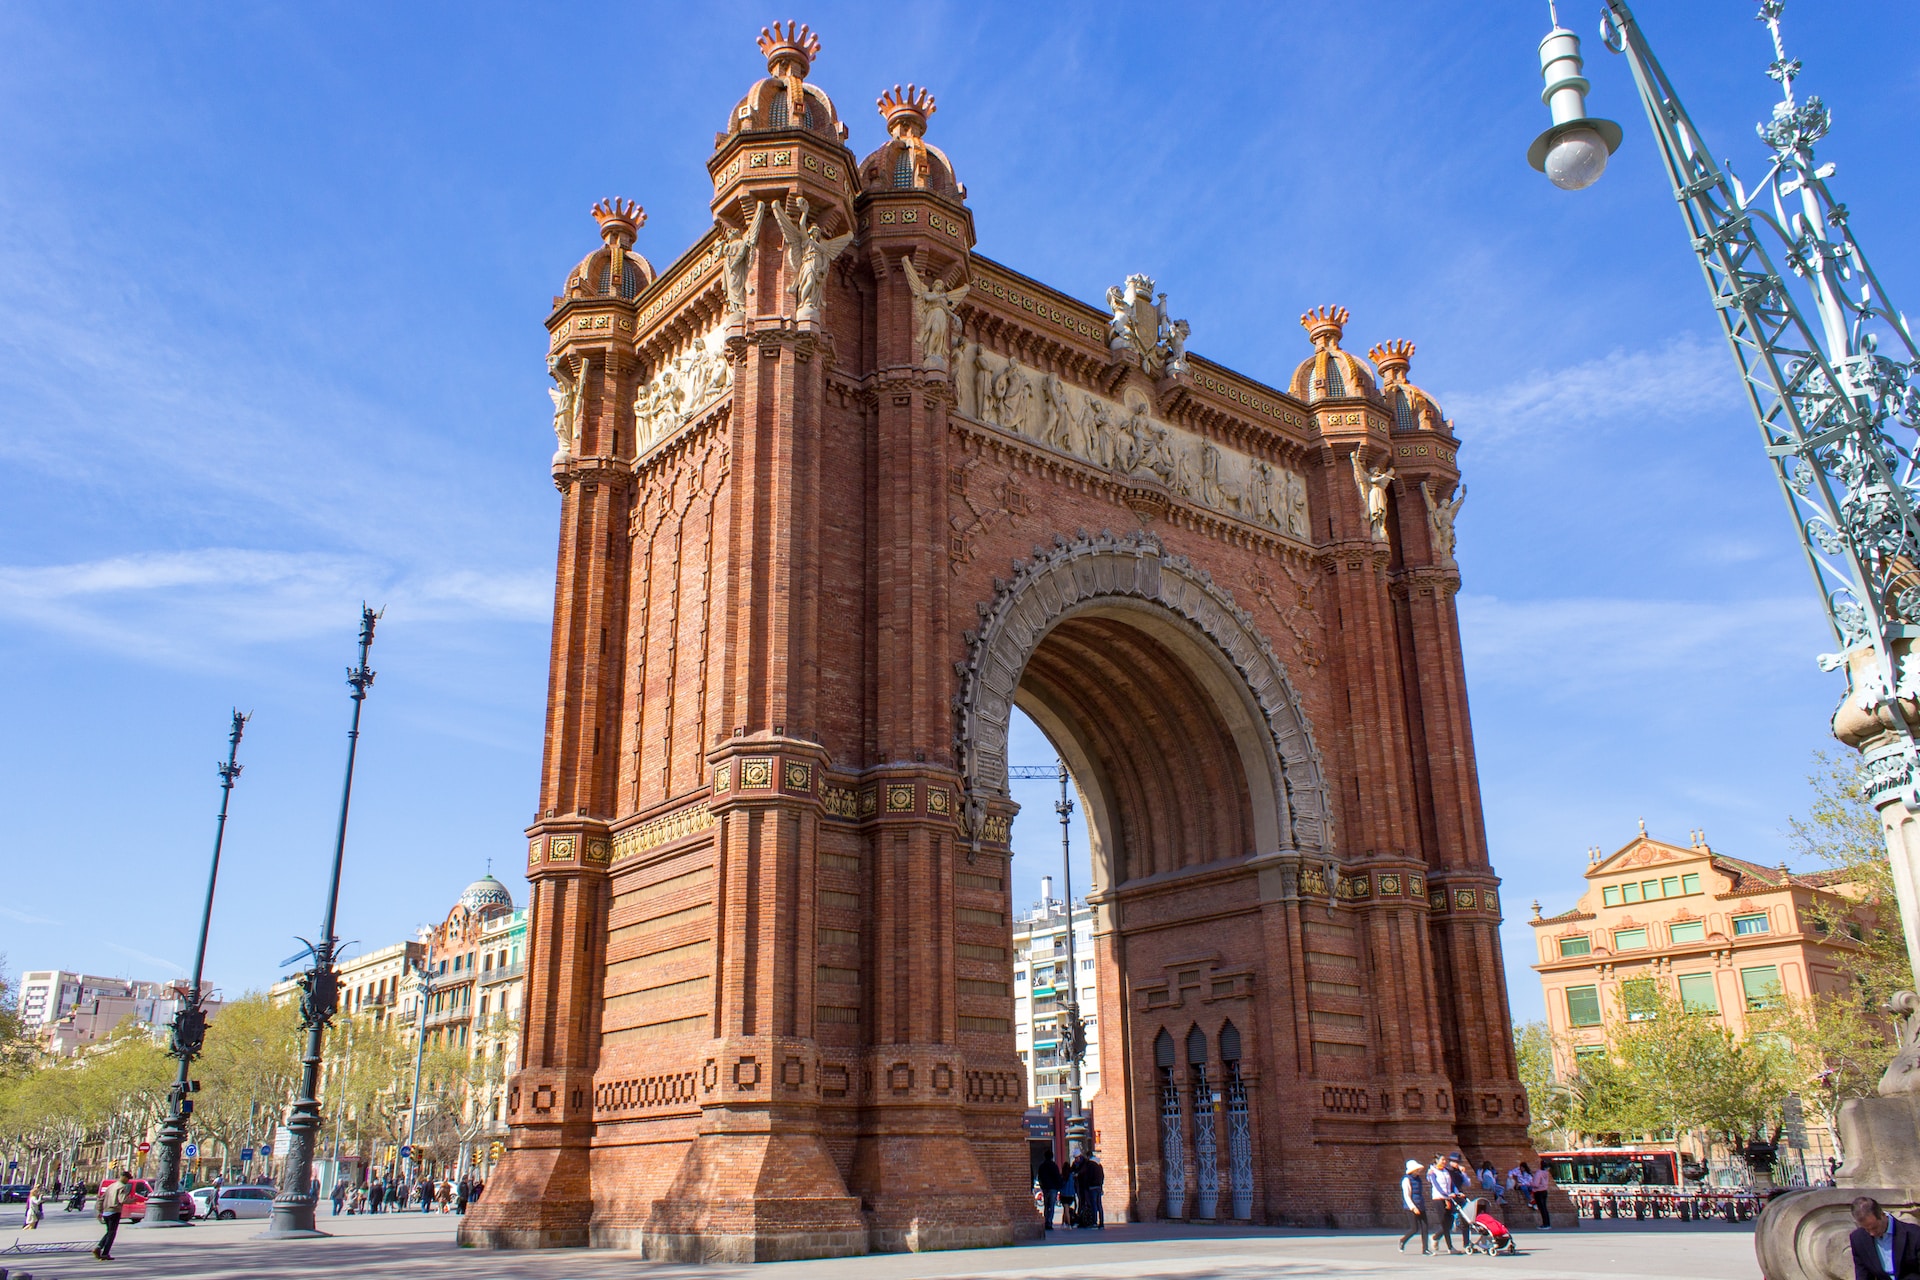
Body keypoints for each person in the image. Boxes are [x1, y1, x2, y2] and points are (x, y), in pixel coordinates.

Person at [1849, 1196, 1920, 1279]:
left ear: (1882, 1215)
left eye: (1874, 1227)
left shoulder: (1914, 1234)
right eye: (1866, 1229)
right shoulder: (1858, 1239)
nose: (1872, 1233)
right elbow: (1863, 1275)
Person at [1425, 1154, 1462, 1255]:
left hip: (1448, 1198)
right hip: (1438, 1198)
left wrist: (1457, 1192)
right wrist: (1446, 1194)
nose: (1444, 1161)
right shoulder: (1432, 1172)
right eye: (1442, 1160)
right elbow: (1436, 1186)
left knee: (1449, 1222)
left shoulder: (1446, 1171)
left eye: (1445, 1160)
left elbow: (1452, 1184)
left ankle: (1435, 1237)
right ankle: (1450, 1247)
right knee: (1444, 1222)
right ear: (1436, 1160)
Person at [96, 1170, 133, 1261]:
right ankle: (105, 1253)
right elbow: (122, 1200)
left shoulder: (110, 1186)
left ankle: (98, 1247)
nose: (128, 1181)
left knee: (109, 1232)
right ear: (124, 1177)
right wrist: (132, 1200)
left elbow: (101, 1199)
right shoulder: (122, 1186)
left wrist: (99, 1211)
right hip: (114, 1211)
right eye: (128, 1179)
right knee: (112, 1233)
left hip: (106, 1212)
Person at [1398, 1159, 1430, 1255]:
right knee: (1414, 1229)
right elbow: (1407, 1195)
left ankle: (1425, 1249)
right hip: (1411, 1207)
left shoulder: (1418, 1179)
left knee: (1425, 1227)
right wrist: (1413, 1207)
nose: (1419, 1171)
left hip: (1420, 1205)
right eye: (1417, 1169)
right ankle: (1403, 1240)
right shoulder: (1406, 1179)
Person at [1034, 1152, 1063, 1232]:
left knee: (1046, 1205)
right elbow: (1057, 1177)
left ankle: (1046, 1220)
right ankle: (1049, 1222)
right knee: (1052, 1205)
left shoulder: (1042, 1166)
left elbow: (1039, 1177)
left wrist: (1042, 1186)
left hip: (1045, 1188)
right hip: (1053, 1188)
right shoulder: (1054, 1166)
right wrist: (1059, 1187)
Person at [1075, 1154, 1105, 1228]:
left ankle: (1094, 1222)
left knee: (1093, 1205)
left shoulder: (1090, 1165)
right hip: (1099, 1186)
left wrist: (1087, 1185)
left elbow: (1088, 1176)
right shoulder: (1099, 1165)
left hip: (1092, 1187)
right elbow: (1102, 1176)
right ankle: (1101, 1223)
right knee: (1099, 1205)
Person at [1530, 1162, 1554, 1231]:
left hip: (1538, 1191)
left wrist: (1530, 1183)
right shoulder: (1546, 1173)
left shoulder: (1539, 1173)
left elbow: (1536, 1184)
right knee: (1544, 1208)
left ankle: (1545, 1224)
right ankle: (1547, 1223)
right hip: (1544, 1191)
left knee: (1541, 1208)